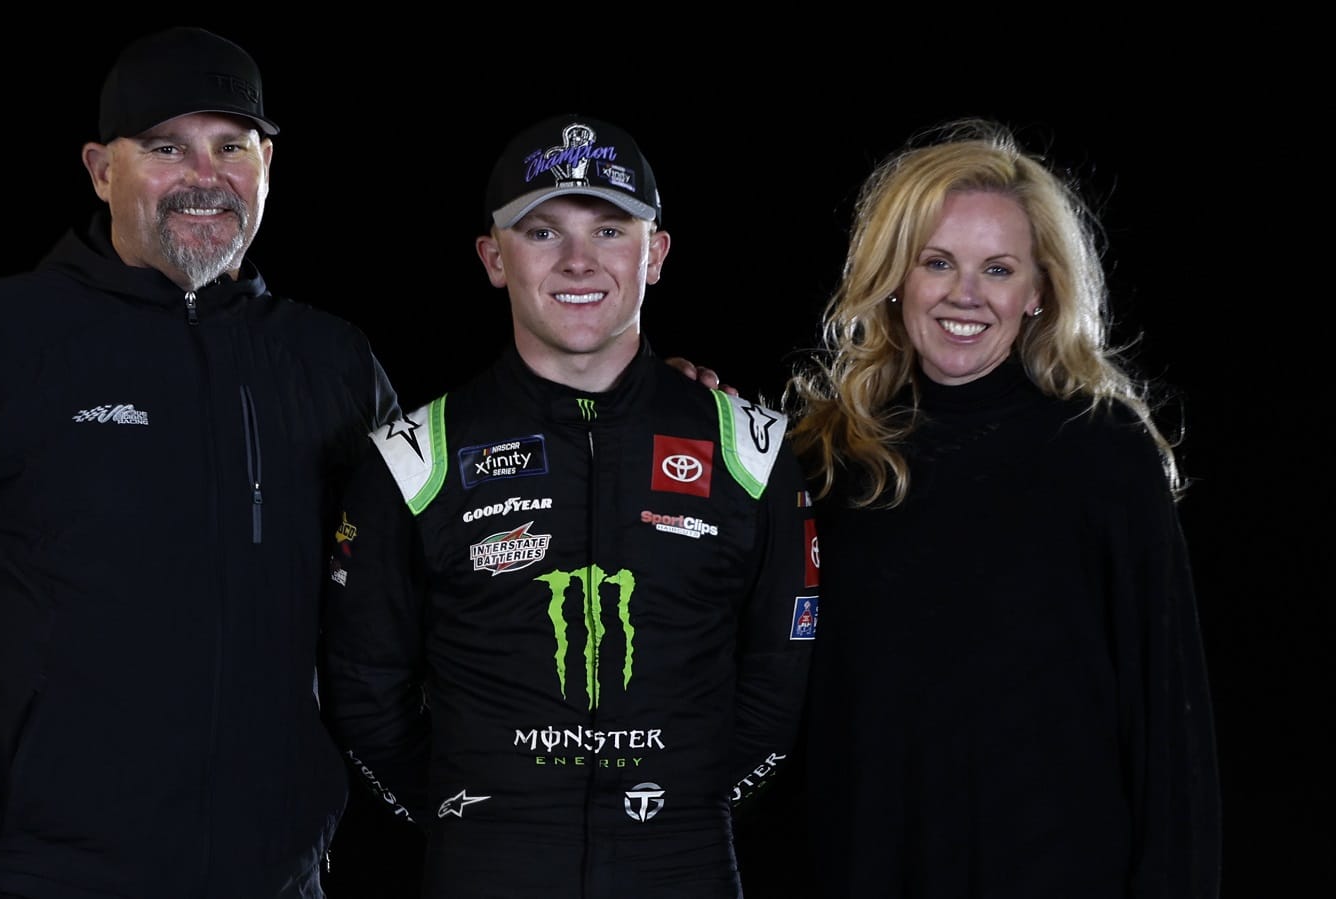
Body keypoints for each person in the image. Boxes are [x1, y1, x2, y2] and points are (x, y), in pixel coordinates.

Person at [0, 27, 403, 899]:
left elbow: (444, 571)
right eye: (165, 146)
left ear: (266, 163)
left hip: (274, 880)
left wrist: (652, 404)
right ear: (100, 169)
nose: (205, 176)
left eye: (230, 146)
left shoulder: (332, 363)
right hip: (39, 875)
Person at [318, 113, 820, 899]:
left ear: (654, 254)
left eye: (611, 229)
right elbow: (361, 686)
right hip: (485, 868)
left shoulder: (750, 449)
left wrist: (685, 810)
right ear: (493, 256)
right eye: (543, 231)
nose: (580, 261)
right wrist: (477, 816)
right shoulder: (414, 455)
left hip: (682, 863)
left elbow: (781, 679)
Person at [762, 117, 1221, 897]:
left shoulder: (1103, 452)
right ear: (895, 276)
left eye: (998, 268)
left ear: (1039, 289)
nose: (964, 294)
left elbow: (1169, 725)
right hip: (865, 869)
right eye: (937, 262)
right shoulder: (823, 458)